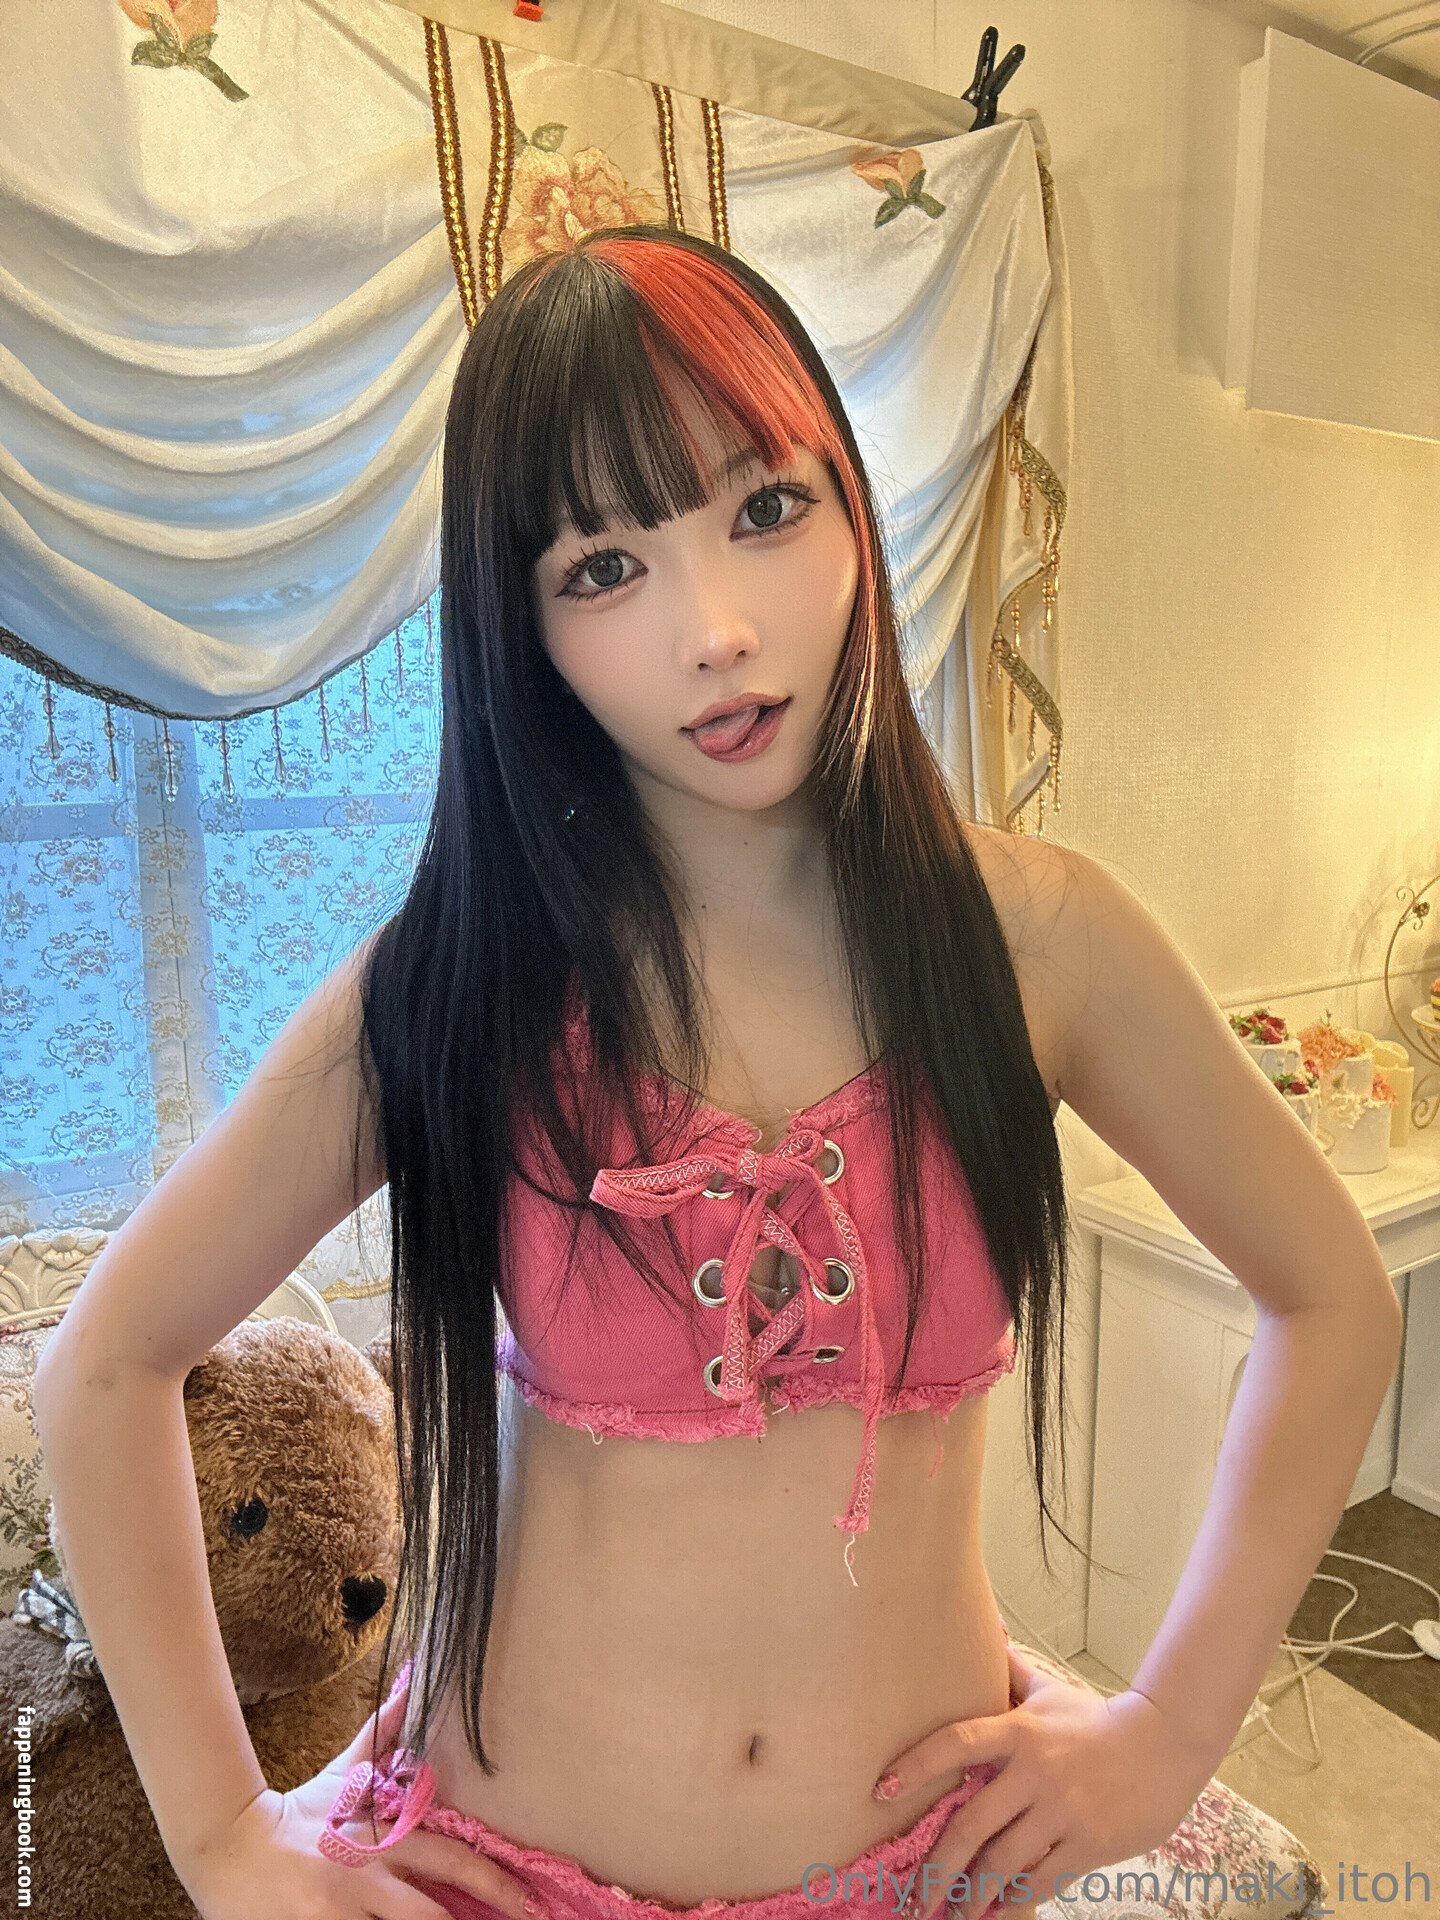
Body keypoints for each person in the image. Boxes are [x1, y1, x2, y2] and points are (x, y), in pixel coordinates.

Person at [33, 227, 1401, 1920]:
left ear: (851, 510)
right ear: (522, 625)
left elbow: (1335, 1300)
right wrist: (228, 1844)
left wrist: (1173, 1730)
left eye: (767, 507)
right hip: (502, 1869)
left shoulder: (1040, 942)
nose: (718, 630)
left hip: (914, 1875)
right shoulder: (463, 979)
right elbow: (105, 1370)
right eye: (606, 566)